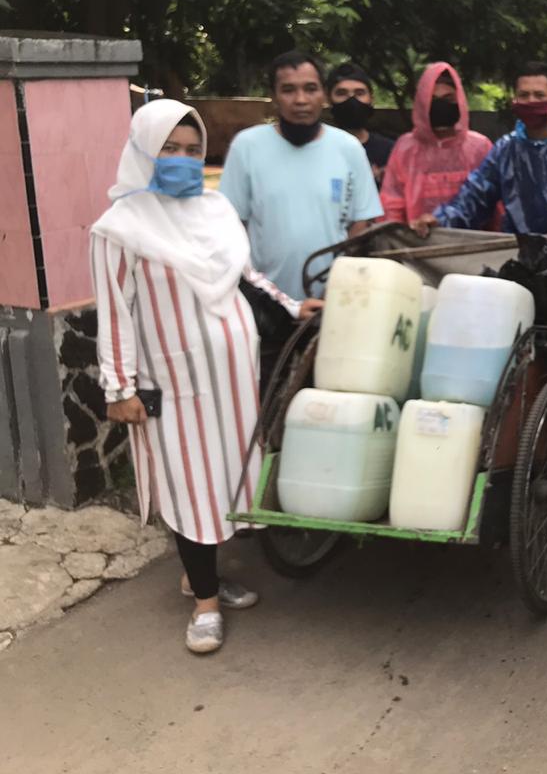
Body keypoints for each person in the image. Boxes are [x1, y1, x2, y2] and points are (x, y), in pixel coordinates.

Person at [91, 100, 322, 654]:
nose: (183, 160)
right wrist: (118, 388)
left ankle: (201, 575)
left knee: (228, 479)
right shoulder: (120, 228)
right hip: (176, 384)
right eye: (169, 149)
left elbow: (247, 278)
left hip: (234, 379)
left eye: (193, 151)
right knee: (191, 483)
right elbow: (113, 310)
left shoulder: (215, 211)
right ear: (143, 151)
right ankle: (205, 605)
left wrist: (292, 308)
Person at [219, 51, 380, 390]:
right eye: (289, 90)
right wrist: (264, 294)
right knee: (268, 401)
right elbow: (230, 226)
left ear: (323, 93)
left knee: (324, 403)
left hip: (330, 307)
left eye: (310, 88)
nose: (301, 100)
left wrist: (340, 287)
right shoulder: (247, 147)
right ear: (274, 96)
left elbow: (359, 225)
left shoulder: (348, 148)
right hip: (267, 309)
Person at [425, 61, 547, 263]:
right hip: (519, 257)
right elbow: (475, 195)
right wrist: (440, 220)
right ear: (514, 100)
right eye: (524, 95)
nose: (531, 101)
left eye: (539, 95)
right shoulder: (506, 149)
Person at [380, 62, 493, 234]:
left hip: (473, 248)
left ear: (460, 101)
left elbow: (494, 204)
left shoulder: (479, 147)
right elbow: (391, 205)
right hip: (416, 247)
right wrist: (396, 241)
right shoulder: (405, 148)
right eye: (432, 100)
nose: (441, 105)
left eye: (448, 99)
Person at [326, 62, 396, 185]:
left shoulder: (391, 151)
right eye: (341, 93)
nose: (352, 100)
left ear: (371, 99)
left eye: (359, 93)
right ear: (328, 99)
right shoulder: (319, 150)